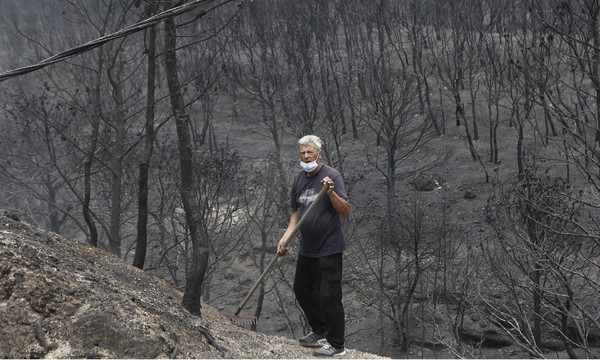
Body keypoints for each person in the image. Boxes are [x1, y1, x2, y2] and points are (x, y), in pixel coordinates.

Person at [277, 135, 350, 357]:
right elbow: (295, 213)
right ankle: (320, 330)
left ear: (319, 154)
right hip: (307, 247)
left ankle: (337, 345)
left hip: (329, 247)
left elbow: (345, 209)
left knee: (329, 295)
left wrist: (330, 192)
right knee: (301, 289)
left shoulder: (332, 176)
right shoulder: (299, 179)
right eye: (302, 153)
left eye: (310, 152)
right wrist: (286, 238)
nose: (306, 156)